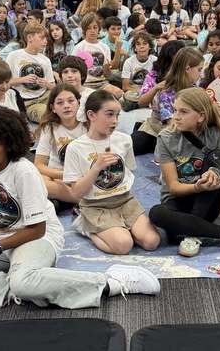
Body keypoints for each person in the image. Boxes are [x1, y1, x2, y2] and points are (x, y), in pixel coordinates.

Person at [0, 106, 159, 306]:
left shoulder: (24, 171)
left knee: (23, 281)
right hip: (1, 244)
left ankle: (110, 282)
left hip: (37, 239)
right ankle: (9, 288)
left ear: (9, 143)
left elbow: (37, 230)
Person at [149, 87, 220, 257]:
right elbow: (173, 187)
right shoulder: (166, 137)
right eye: (175, 110)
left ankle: (192, 234)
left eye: (184, 112)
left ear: (201, 116)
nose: (176, 116)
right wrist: (197, 187)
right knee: (156, 213)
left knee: (213, 169)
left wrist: (215, 173)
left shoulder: (216, 135)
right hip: (178, 199)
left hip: (208, 200)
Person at [63, 89, 161, 255]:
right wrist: (96, 168)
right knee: (123, 245)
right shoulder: (76, 147)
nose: (114, 121)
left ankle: (121, 229)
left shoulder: (124, 139)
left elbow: (128, 171)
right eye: (109, 114)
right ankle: (86, 226)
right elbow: (76, 192)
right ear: (91, 115)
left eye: (117, 115)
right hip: (95, 205)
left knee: (152, 242)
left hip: (124, 200)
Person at [133, 45, 204, 156]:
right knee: (132, 146)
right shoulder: (166, 91)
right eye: (199, 70)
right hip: (164, 129)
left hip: (185, 131)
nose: (201, 74)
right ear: (187, 69)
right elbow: (173, 126)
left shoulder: (197, 89)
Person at [34, 84, 86, 205]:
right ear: (53, 108)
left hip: (83, 176)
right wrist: (64, 175)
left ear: (78, 102)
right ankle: (81, 201)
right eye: (60, 103)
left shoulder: (88, 125)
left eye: (71, 101)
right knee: (39, 181)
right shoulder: (49, 128)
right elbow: (39, 165)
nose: (66, 106)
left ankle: (60, 200)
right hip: (58, 176)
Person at [7, 22, 56, 124]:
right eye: (42, 38)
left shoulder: (45, 60)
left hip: (46, 96)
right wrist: (22, 80)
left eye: (46, 38)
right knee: (49, 116)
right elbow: (5, 83)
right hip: (27, 102)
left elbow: (53, 87)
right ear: (29, 38)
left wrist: (46, 84)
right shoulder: (13, 56)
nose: (45, 41)